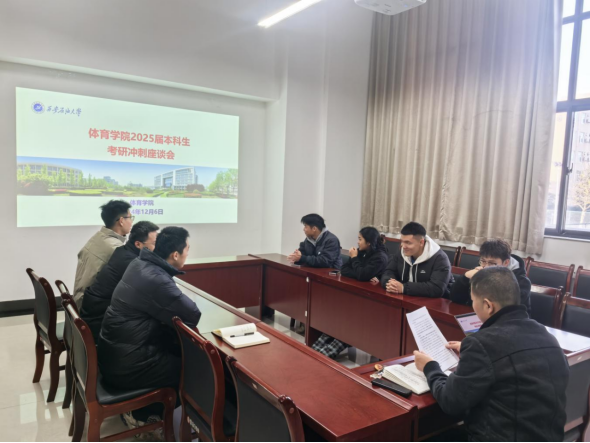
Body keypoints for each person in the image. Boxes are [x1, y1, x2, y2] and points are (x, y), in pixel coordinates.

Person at [414, 267, 569, 442]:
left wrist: (430, 367)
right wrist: (472, 349)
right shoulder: (547, 336)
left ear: (488, 306)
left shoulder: (482, 343)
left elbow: (450, 401)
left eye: (473, 301)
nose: (473, 306)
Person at [98, 227, 201, 425]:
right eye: (187, 249)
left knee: (178, 349)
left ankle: (148, 412)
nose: (188, 253)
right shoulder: (156, 278)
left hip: (114, 356)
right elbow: (192, 314)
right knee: (198, 366)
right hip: (129, 367)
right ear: (175, 254)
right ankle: (146, 417)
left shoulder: (139, 263)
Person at [313, 227, 389, 359]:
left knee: (348, 322)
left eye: (360, 239)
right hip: (356, 295)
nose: (357, 242)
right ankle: (319, 347)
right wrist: (360, 273)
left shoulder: (380, 257)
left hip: (371, 302)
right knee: (338, 316)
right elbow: (344, 269)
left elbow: (362, 275)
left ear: (369, 242)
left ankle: (333, 347)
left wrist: (354, 260)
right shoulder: (362, 251)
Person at [80, 221, 159, 343]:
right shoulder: (133, 264)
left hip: (93, 315)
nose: (158, 248)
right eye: (154, 244)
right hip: (100, 324)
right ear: (138, 244)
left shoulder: (122, 251)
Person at [73, 200, 134, 307]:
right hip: (90, 306)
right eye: (130, 217)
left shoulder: (98, 237)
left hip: (79, 299)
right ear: (121, 221)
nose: (132, 222)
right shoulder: (115, 248)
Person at [450, 239, 531, 313]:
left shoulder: (521, 282)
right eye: (483, 261)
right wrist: (465, 277)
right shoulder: (480, 269)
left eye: (492, 263)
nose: (486, 266)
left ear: (506, 262)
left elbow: (508, 310)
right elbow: (455, 298)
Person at [381, 222, 452, 298]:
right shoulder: (402, 252)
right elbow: (388, 272)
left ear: (421, 242)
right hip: (407, 298)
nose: (403, 246)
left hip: (435, 302)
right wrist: (390, 283)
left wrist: (403, 288)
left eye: (408, 242)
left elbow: (436, 288)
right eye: (402, 241)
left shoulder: (440, 258)